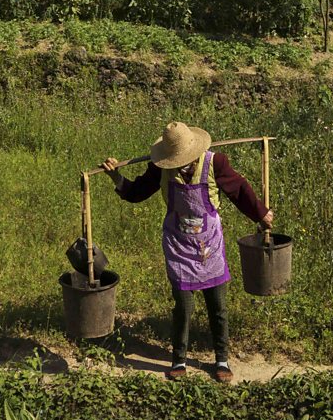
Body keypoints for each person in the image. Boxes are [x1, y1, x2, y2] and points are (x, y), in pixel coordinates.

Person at [101, 121, 273, 383]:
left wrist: (260, 214)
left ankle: (222, 359)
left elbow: (239, 190)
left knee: (218, 305)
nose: (180, 164)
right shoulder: (161, 167)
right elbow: (136, 193)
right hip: (178, 245)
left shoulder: (216, 163)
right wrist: (116, 177)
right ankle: (179, 359)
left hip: (209, 245)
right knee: (183, 306)